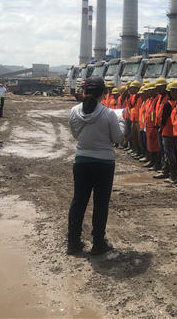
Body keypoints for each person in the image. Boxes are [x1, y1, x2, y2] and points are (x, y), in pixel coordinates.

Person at [67, 77, 123, 255]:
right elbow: (118, 138)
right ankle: (98, 243)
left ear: (84, 92)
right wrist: (122, 123)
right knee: (101, 204)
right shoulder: (109, 114)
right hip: (104, 164)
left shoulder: (74, 111)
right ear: (103, 93)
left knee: (79, 201)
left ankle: (73, 242)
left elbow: (75, 135)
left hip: (81, 161)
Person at [154, 81, 177, 180]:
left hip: (167, 131)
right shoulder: (174, 102)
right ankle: (169, 171)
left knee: (167, 152)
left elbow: (164, 119)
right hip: (172, 131)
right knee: (168, 152)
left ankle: (169, 172)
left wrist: (161, 128)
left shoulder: (169, 104)